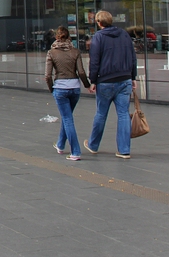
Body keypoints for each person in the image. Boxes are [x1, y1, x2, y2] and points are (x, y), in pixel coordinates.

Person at [85, 10, 137, 159]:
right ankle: (124, 150)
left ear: (99, 22)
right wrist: (133, 76)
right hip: (124, 79)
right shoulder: (124, 35)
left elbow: (94, 61)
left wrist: (93, 80)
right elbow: (132, 56)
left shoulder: (98, 37)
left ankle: (93, 145)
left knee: (101, 113)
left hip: (105, 81)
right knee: (123, 114)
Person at [45, 26, 91, 160]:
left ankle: (75, 152)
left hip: (60, 88)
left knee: (67, 119)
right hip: (74, 88)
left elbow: (47, 76)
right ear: (69, 37)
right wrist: (87, 85)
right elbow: (81, 72)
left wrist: (52, 89)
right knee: (67, 117)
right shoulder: (75, 51)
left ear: (56, 37)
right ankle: (60, 144)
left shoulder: (51, 52)